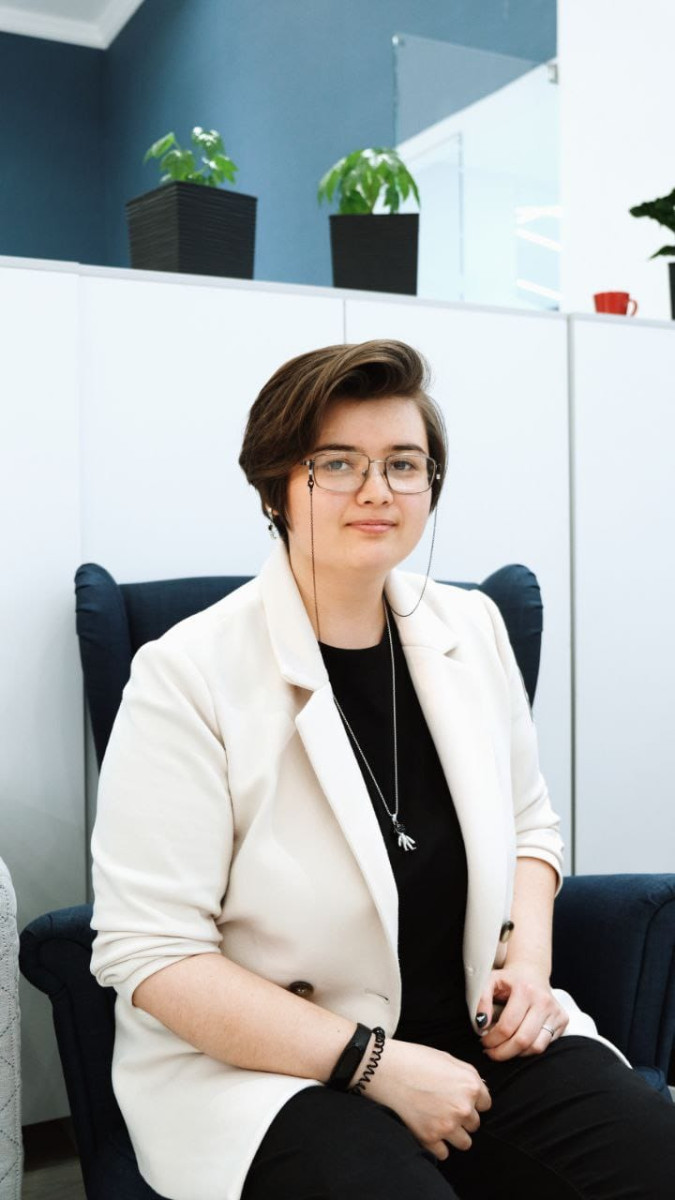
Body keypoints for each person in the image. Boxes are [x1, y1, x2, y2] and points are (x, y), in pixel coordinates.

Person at [90, 340, 674, 1200]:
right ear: (275, 488)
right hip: (273, 1070)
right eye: (337, 463)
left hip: (476, 1036)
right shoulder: (187, 674)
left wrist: (528, 967)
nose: (377, 490)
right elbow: (153, 952)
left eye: (403, 463)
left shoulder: (471, 629)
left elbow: (529, 828)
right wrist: (374, 1064)